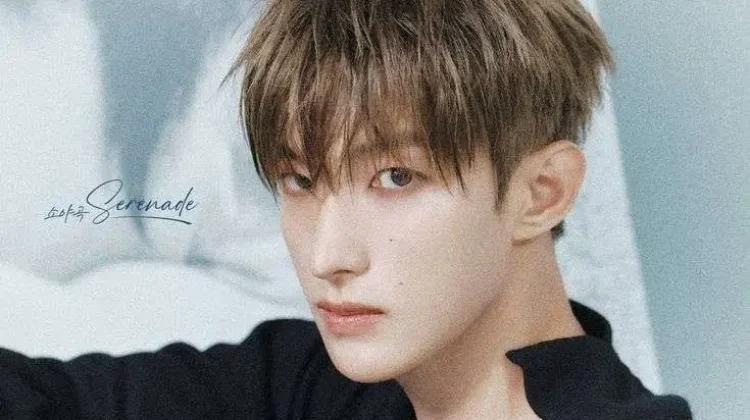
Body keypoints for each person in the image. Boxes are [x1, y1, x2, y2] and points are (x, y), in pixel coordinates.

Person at [0, 0, 692, 419]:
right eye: (300, 180)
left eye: (396, 177)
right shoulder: (302, 379)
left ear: (542, 192)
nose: (328, 256)